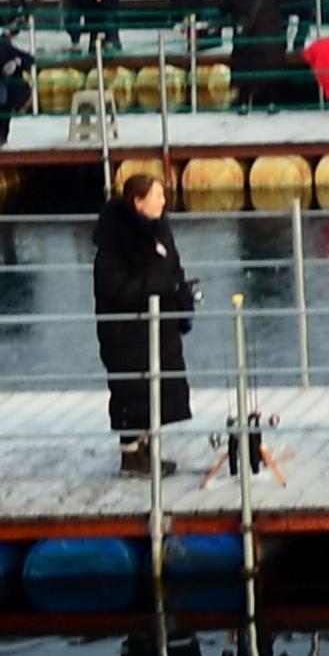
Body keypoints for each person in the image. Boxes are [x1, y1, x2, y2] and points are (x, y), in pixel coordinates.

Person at [94, 169, 196, 477]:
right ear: (138, 202)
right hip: (126, 329)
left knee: (160, 387)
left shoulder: (161, 231)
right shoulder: (115, 241)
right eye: (157, 195)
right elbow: (113, 288)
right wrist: (158, 285)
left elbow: (173, 268)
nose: (164, 200)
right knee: (132, 389)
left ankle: (149, 448)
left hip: (160, 324)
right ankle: (131, 454)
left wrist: (181, 299)